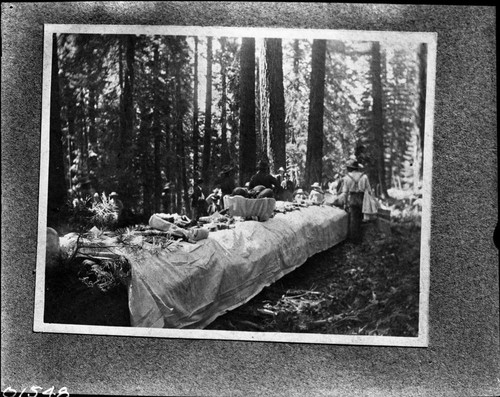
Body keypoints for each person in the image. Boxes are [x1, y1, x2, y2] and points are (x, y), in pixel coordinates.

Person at [340, 159, 371, 243]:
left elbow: (345, 193)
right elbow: (369, 190)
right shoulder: (364, 177)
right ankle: (363, 239)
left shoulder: (347, 178)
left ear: (349, 168)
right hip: (363, 199)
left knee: (354, 220)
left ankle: (354, 241)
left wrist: (345, 204)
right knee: (363, 219)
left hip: (353, 199)